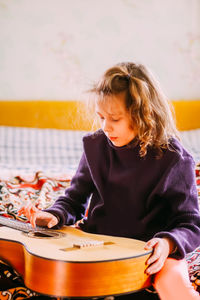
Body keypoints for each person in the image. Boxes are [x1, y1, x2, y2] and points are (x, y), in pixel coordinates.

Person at [19, 62, 200, 300]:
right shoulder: (95, 147)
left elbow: (191, 223)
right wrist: (54, 214)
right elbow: (74, 199)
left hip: (150, 251)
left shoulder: (174, 159)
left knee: (175, 288)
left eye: (114, 118)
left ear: (144, 115)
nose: (105, 127)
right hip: (97, 243)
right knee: (54, 278)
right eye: (101, 117)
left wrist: (168, 243)